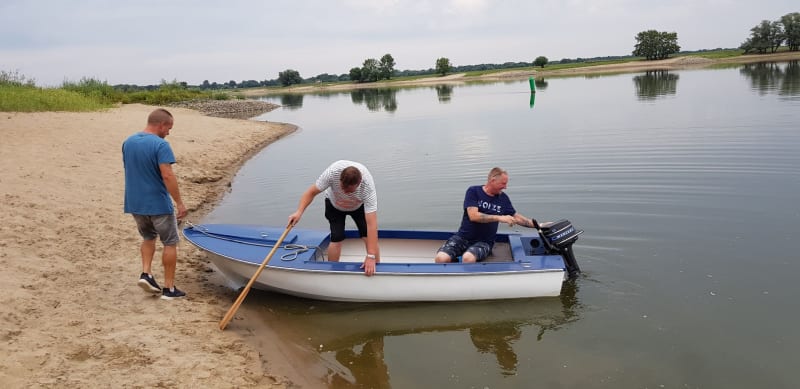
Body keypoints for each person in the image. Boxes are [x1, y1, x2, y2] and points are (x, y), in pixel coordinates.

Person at [123, 108, 188, 299]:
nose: (169, 132)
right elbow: (167, 174)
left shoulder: (128, 142)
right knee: (170, 242)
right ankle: (169, 289)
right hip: (157, 203)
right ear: (161, 125)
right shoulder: (160, 145)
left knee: (148, 237)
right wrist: (179, 203)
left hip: (135, 202)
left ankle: (146, 274)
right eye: (169, 128)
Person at [288, 160, 379, 276]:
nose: (345, 193)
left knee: (368, 235)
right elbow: (311, 192)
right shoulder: (332, 173)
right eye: (342, 188)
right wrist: (299, 212)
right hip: (334, 205)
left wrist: (370, 256)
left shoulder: (367, 186)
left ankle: (377, 265)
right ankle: (331, 271)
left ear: (359, 183)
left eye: (349, 191)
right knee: (337, 237)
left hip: (358, 206)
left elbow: (372, 224)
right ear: (340, 179)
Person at [435, 167, 539, 263]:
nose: (505, 187)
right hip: (462, 237)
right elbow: (473, 216)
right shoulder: (473, 191)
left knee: (468, 258)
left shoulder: (503, 199)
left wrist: (539, 225)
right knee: (441, 258)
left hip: (484, 242)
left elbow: (517, 217)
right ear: (492, 180)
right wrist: (500, 218)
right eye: (503, 183)